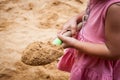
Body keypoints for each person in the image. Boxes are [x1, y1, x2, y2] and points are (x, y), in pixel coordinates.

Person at [57, 0, 120, 80]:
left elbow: (114, 51)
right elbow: (93, 10)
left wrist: (75, 44)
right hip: (88, 60)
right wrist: (76, 18)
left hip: (100, 68)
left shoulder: (115, 8)